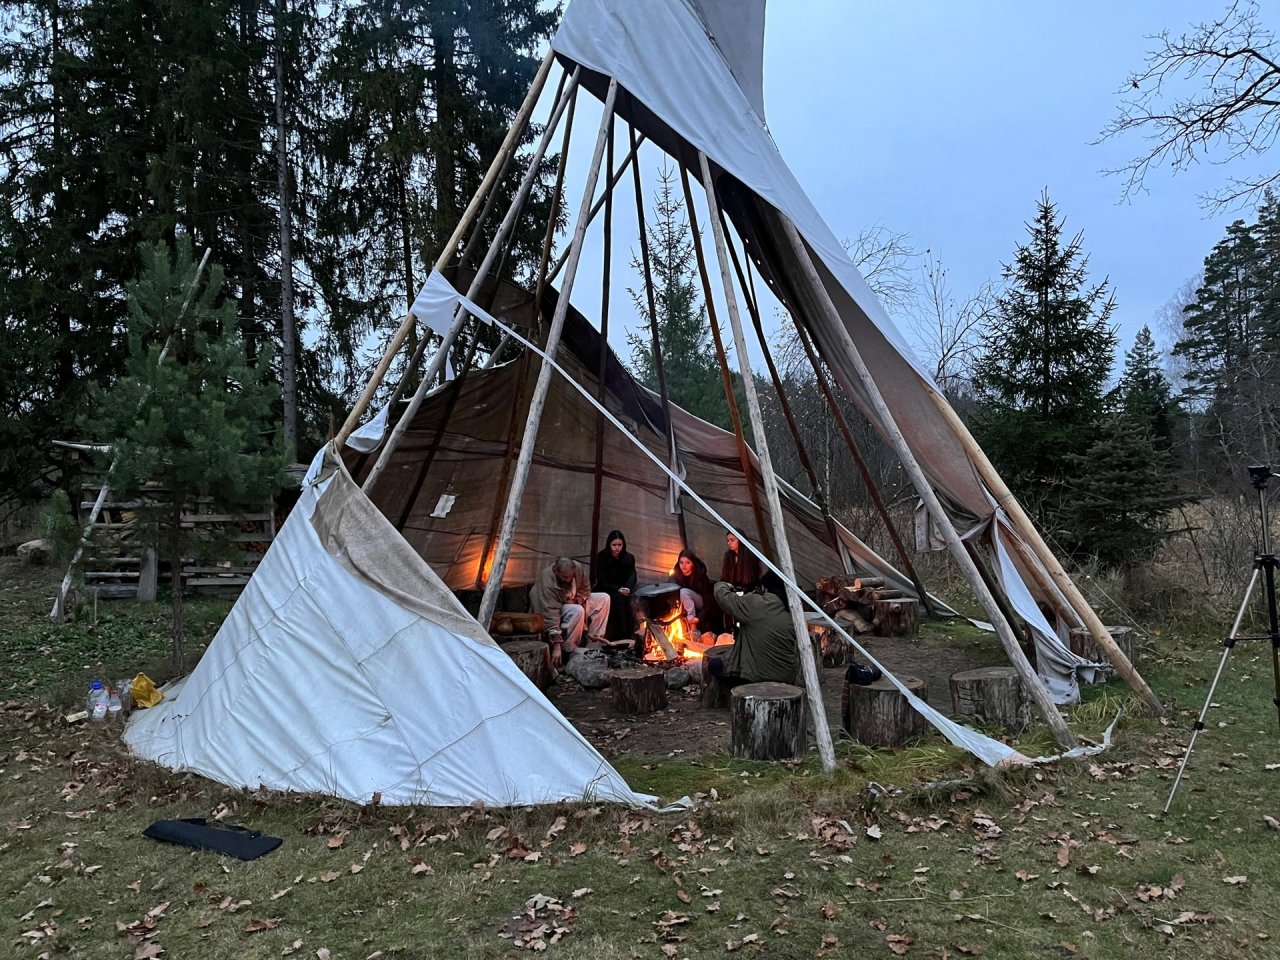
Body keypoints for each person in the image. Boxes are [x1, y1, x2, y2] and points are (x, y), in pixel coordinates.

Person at [711, 571, 798, 686]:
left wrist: (724, 585)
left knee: (714, 665)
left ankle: (731, 699)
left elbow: (723, 597)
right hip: (786, 676)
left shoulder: (757, 604)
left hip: (756, 678)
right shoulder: (793, 609)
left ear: (765, 588)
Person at [531, 557, 611, 669]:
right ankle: (569, 650)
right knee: (577, 610)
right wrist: (557, 645)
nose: (567, 580)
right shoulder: (548, 582)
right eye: (564, 577)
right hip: (547, 609)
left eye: (569, 577)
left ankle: (594, 642)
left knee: (604, 598)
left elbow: (585, 589)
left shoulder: (577, 569)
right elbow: (550, 614)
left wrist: (578, 600)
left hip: (572, 601)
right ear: (556, 571)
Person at [593, 530, 640, 643]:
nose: (617, 548)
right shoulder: (602, 557)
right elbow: (602, 579)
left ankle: (629, 633)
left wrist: (628, 587)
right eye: (614, 545)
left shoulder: (629, 558)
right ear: (609, 544)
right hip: (608, 589)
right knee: (618, 599)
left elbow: (632, 574)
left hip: (625, 589)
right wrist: (617, 589)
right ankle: (616, 635)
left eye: (619, 545)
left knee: (631, 599)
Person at [672, 548, 718, 634]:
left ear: (693, 563)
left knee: (683, 592)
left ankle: (691, 619)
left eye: (687, 563)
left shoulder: (700, 574)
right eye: (681, 563)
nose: (684, 566)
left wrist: (699, 617)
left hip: (701, 601)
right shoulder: (676, 574)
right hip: (685, 603)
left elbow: (708, 600)